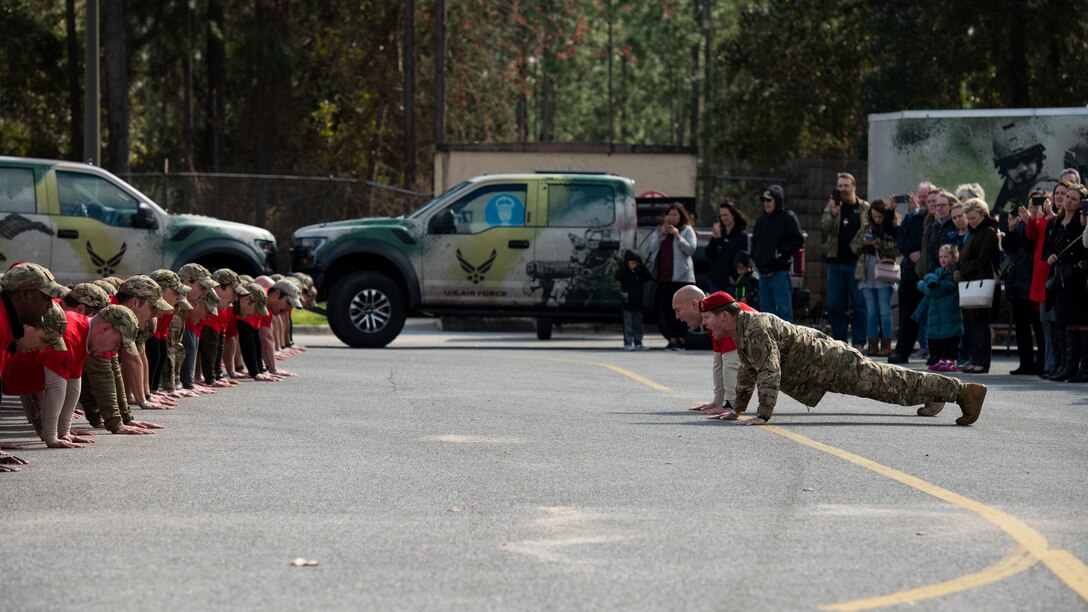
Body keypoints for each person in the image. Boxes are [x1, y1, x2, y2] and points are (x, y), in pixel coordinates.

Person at [696, 292, 987, 426]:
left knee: (891, 385)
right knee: (892, 386)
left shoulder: (755, 329)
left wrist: (762, 414)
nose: (705, 324)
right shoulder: (743, 330)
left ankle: (963, 392)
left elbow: (769, 372)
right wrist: (737, 409)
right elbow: (748, 371)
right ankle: (937, 392)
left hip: (835, 364)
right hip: (824, 367)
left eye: (707, 318)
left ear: (724, 316)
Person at [669, 286, 745, 416]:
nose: (677, 317)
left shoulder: (722, 317)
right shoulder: (713, 316)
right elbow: (719, 362)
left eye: (678, 310)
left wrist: (730, 405)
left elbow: (731, 364)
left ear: (694, 304)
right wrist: (717, 402)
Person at [1043, 183, 1088, 382]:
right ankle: (1068, 366)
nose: (1068, 200)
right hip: (1061, 278)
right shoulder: (1056, 222)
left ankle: (1084, 367)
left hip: (1078, 276)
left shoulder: (1081, 222)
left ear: (1081, 204)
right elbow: (1047, 246)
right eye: (1066, 197)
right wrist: (1051, 255)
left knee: (1081, 323)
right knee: (1067, 323)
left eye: (1073, 198)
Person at [821, 172, 869, 349]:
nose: (842, 189)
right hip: (836, 262)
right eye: (839, 186)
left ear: (853, 187)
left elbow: (869, 229)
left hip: (857, 263)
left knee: (859, 304)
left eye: (846, 185)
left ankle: (858, 343)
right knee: (835, 305)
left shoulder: (864, 207)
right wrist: (833, 213)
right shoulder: (833, 206)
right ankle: (840, 343)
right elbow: (825, 228)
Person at [889, 183, 935, 364]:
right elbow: (900, 239)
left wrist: (924, 256)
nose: (924, 200)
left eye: (929, 197)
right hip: (910, 271)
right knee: (907, 314)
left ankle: (936, 353)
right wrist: (910, 252)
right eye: (922, 196)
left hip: (932, 272)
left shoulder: (937, 219)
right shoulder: (910, 217)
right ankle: (902, 352)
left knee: (934, 315)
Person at [957, 199, 1002, 374]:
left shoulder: (989, 231)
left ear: (983, 215)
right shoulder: (973, 232)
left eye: (974, 217)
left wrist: (963, 270)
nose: (971, 221)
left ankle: (982, 362)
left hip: (982, 281)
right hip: (970, 281)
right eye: (969, 218)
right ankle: (975, 359)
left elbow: (983, 259)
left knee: (981, 323)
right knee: (971, 324)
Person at [851, 198, 900, 356]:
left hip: (884, 271)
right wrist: (864, 243)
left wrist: (877, 243)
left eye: (880, 216)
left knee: (885, 310)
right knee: (871, 310)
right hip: (866, 272)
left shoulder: (891, 228)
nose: (877, 219)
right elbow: (853, 247)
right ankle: (872, 343)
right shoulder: (866, 228)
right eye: (874, 216)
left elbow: (896, 250)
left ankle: (887, 344)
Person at [1004, 194, 1046, 374]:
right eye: (1031, 204)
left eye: (1038, 204)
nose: (1033, 208)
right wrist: (1011, 228)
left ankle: (1041, 362)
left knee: (1038, 326)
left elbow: (1031, 244)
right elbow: (1010, 247)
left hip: (1033, 280)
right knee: (1021, 327)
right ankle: (1025, 362)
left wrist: (1030, 221)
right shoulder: (1022, 222)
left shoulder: (1042, 222)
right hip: (1018, 281)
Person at [648, 202, 697, 350]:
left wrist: (677, 235)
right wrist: (661, 234)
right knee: (668, 309)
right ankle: (672, 339)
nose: (672, 217)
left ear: (681, 216)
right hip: (664, 277)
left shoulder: (686, 230)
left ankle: (682, 338)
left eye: (675, 214)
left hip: (681, 278)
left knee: (683, 310)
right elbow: (652, 248)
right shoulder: (660, 230)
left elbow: (691, 249)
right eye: (669, 214)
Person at [750, 185, 804, 322]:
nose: (766, 203)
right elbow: (755, 242)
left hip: (779, 272)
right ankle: (769, 342)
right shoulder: (761, 221)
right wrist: (755, 258)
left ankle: (787, 342)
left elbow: (798, 240)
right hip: (763, 273)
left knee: (784, 311)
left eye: (769, 200)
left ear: (777, 200)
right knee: (766, 314)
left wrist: (780, 253)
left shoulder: (787, 217)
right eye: (764, 200)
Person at [914, 244, 964, 372]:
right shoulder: (938, 272)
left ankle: (950, 361)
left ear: (954, 258)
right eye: (940, 256)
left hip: (950, 312)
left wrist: (921, 285)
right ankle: (941, 360)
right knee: (939, 340)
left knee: (950, 339)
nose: (942, 259)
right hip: (937, 314)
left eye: (946, 256)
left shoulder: (954, 273)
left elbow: (938, 290)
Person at [705, 199, 750, 293]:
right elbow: (709, 255)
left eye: (726, 215)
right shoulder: (719, 233)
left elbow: (743, 258)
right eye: (721, 216)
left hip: (731, 282)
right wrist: (714, 238)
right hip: (715, 281)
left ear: (733, 215)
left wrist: (735, 276)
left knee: (729, 307)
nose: (723, 218)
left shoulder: (741, 235)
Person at [615, 250, 651, 351]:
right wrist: (625, 267)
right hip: (627, 303)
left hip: (638, 303)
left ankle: (638, 342)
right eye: (631, 263)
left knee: (638, 324)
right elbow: (618, 276)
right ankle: (628, 342)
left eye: (635, 263)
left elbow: (648, 276)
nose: (633, 265)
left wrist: (641, 266)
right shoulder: (625, 273)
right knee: (628, 324)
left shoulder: (639, 273)